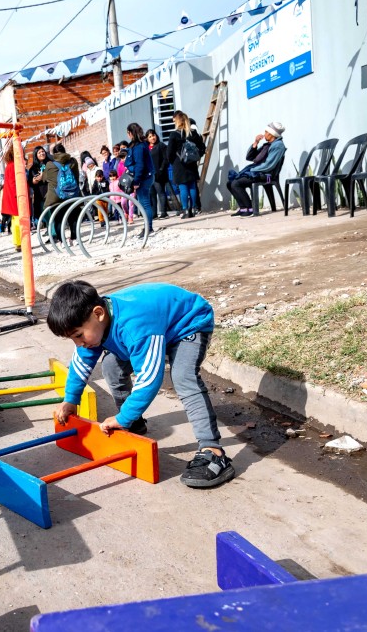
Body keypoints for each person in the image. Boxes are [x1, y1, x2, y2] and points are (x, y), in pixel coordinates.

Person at [48, 280, 234, 489]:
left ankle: (214, 452)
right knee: (111, 365)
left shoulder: (135, 326)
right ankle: (133, 421)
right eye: (73, 339)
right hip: (155, 327)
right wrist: (70, 400)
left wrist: (122, 416)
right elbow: (81, 362)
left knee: (183, 377)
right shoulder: (97, 324)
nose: (79, 343)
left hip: (187, 323)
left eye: (79, 336)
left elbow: (149, 378)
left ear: (99, 313)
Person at [227, 121, 287, 217]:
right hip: (259, 172)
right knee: (230, 183)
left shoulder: (278, 145)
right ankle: (243, 208)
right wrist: (256, 142)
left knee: (236, 183)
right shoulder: (267, 145)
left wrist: (251, 171)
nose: (264, 134)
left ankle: (250, 208)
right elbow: (250, 158)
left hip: (267, 175)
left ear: (272, 134)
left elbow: (269, 165)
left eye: (266, 132)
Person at [166, 110, 205, 220]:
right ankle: (193, 208)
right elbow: (202, 147)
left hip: (179, 164)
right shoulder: (193, 133)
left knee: (183, 187)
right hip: (191, 163)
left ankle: (185, 209)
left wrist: (173, 161)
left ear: (177, 122)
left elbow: (169, 153)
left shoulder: (174, 134)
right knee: (192, 186)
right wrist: (196, 157)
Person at [42, 143, 81, 243]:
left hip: (57, 197)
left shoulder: (50, 165)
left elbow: (45, 179)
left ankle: (62, 241)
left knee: (58, 219)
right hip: (73, 194)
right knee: (73, 217)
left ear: (54, 153)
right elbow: (76, 176)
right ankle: (74, 238)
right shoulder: (73, 162)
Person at [124, 122, 156, 235]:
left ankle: (148, 227)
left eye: (128, 133)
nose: (127, 135)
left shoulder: (138, 146)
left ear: (131, 133)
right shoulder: (138, 145)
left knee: (145, 203)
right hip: (145, 176)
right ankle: (148, 227)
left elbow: (140, 165)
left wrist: (136, 181)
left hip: (143, 178)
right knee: (144, 203)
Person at [0, 143, 25, 252]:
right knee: (19, 220)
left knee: (15, 221)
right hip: (16, 196)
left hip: (11, 196)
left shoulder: (9, 165)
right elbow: (14, 182)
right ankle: (20, 243)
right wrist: (20, 195)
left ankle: (17, 242)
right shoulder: (14, 165)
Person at [147, 129, 170, 220]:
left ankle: (164, 212)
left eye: (153, 135)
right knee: (152, 194)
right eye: (150, 136)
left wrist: (161, 169)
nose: (152, 138)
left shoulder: (161, 145)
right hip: (149, 175)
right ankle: (154, 213)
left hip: (159, 174)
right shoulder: (147, 148)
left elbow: (166, 159)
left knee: (160, 192)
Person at [28, 145, 51, 226]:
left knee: (51, 215)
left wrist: (42, 176)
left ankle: (54, 234)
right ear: (36, 155)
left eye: (43, 151)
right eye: (39, 152)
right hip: (40, 195)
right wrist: (38, 179)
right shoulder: (33, 168)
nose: (42, 153)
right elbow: (33, 181)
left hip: (51, 193)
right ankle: (52, 232)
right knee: (45, 215)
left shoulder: (50, 164)